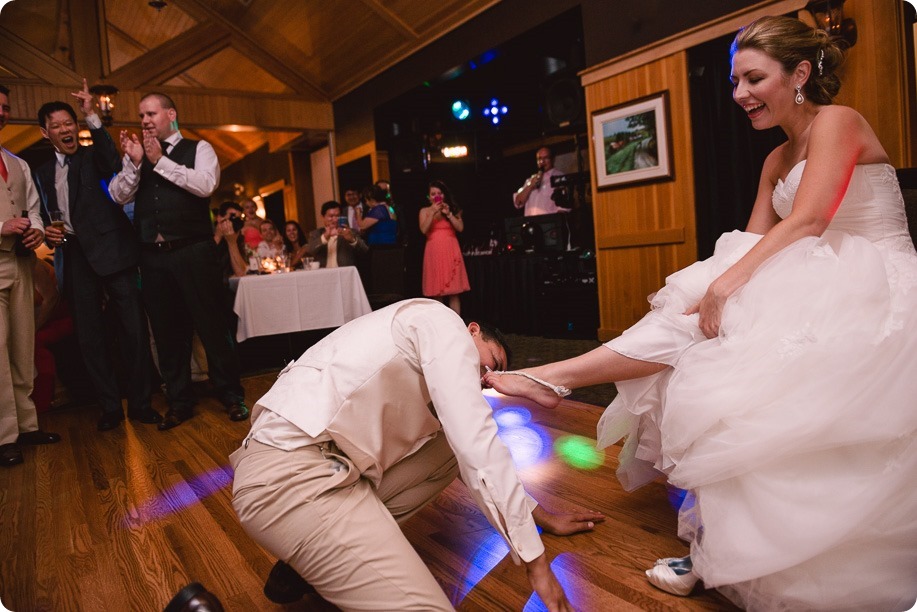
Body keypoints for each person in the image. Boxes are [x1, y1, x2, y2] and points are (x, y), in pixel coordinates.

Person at [484, 15, 917, 612]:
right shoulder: (774, 159)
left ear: (799, 73)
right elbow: (750, 240)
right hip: (810, 272)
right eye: (735, 81)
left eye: (753, 78)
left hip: (874, 282)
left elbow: (812, 218)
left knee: (735, 367)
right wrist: (709, 289)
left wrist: (727, 285)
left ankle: (555, 379)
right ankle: (713, 540)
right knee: (696, 340)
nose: (739, 94)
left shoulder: (838, 123)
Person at [230, 298, 604, 611]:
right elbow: (478, 443)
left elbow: (469, 453)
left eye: (494, 375)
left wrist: (541, 518)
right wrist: (536, 563)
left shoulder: (425, 351)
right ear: (472, 330)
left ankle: (307, 565)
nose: (486, 376)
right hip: (289, 472)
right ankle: (321, 551)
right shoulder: (441, 322)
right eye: (491, 361)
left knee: (446, 450)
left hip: (331, 470)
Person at [108, 92, 248, 430]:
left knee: (211, 325)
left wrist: (161, 161)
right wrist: (137, 163)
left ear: (170, 114)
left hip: (194, 251)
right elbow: (116, 194)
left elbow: (205, 185)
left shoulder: (199, 149)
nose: (144, 121)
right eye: (141, 115)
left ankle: (231, 395)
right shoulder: (139, 156)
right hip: (153, 257)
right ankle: (180, 401)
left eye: (151, 114)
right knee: (168, 333)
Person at [35, 81, 161, 432]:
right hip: (74, 257)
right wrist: (48, 228)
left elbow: (111, 157)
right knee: (90, 338)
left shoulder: (94, 158)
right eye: (57, 126)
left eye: (69, 123)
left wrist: (92, 114)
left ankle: (141, 403)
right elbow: (43, 211)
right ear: (47, 133)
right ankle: (108, 406)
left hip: (114, 252)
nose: (65, 130)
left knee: (133, 330)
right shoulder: (41, 173)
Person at [0, 83, 60, 467]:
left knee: (23, 344)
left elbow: (34, 209)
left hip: (22, 264)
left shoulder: (17, 163)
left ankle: (27, 425)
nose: (2, 112)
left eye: (5, 107)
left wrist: (36, 228)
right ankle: (5, 436)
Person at [419, 179, 469, 315]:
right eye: (433, 193)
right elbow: (424, 230)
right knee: (437, 292)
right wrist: (433, 213)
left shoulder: (452, 209)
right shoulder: (424, 211)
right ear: (429, 196)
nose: (436, 196)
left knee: (454, 292)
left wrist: (449, 214)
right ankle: (441, 324)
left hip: (451, 250)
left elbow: (460, 228)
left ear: (444, 195)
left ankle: (456, 323)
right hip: (434, 252)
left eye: (439, 193)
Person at [512, 147, 571, 217]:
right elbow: (518, 202)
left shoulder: (559, 177)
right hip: (531, 224)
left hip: (550, 224)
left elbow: (564, 207)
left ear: (552, 159)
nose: (542, 161)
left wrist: (554, 223)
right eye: (539, 158)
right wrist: (530, 186)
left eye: (546, 158)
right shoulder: (530, 180)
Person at [307, 200, 367, 268]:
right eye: (331, 216)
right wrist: (325, 237)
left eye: (338, 216)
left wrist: (352, 240)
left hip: (344, 274)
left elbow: (365, 251)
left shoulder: (349, 232)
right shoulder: (316, 233)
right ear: (322, 217)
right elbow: (310, 251)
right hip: (323, 275)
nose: (335, 219)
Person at [212, 201, 248, 279]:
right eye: (232, 217)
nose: (233, 222)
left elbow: (241, 272)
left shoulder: (237, 237)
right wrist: (218, 236)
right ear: (219, 218)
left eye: (237, 219)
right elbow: (204, 265)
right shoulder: (207, 235)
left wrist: (232, 243)